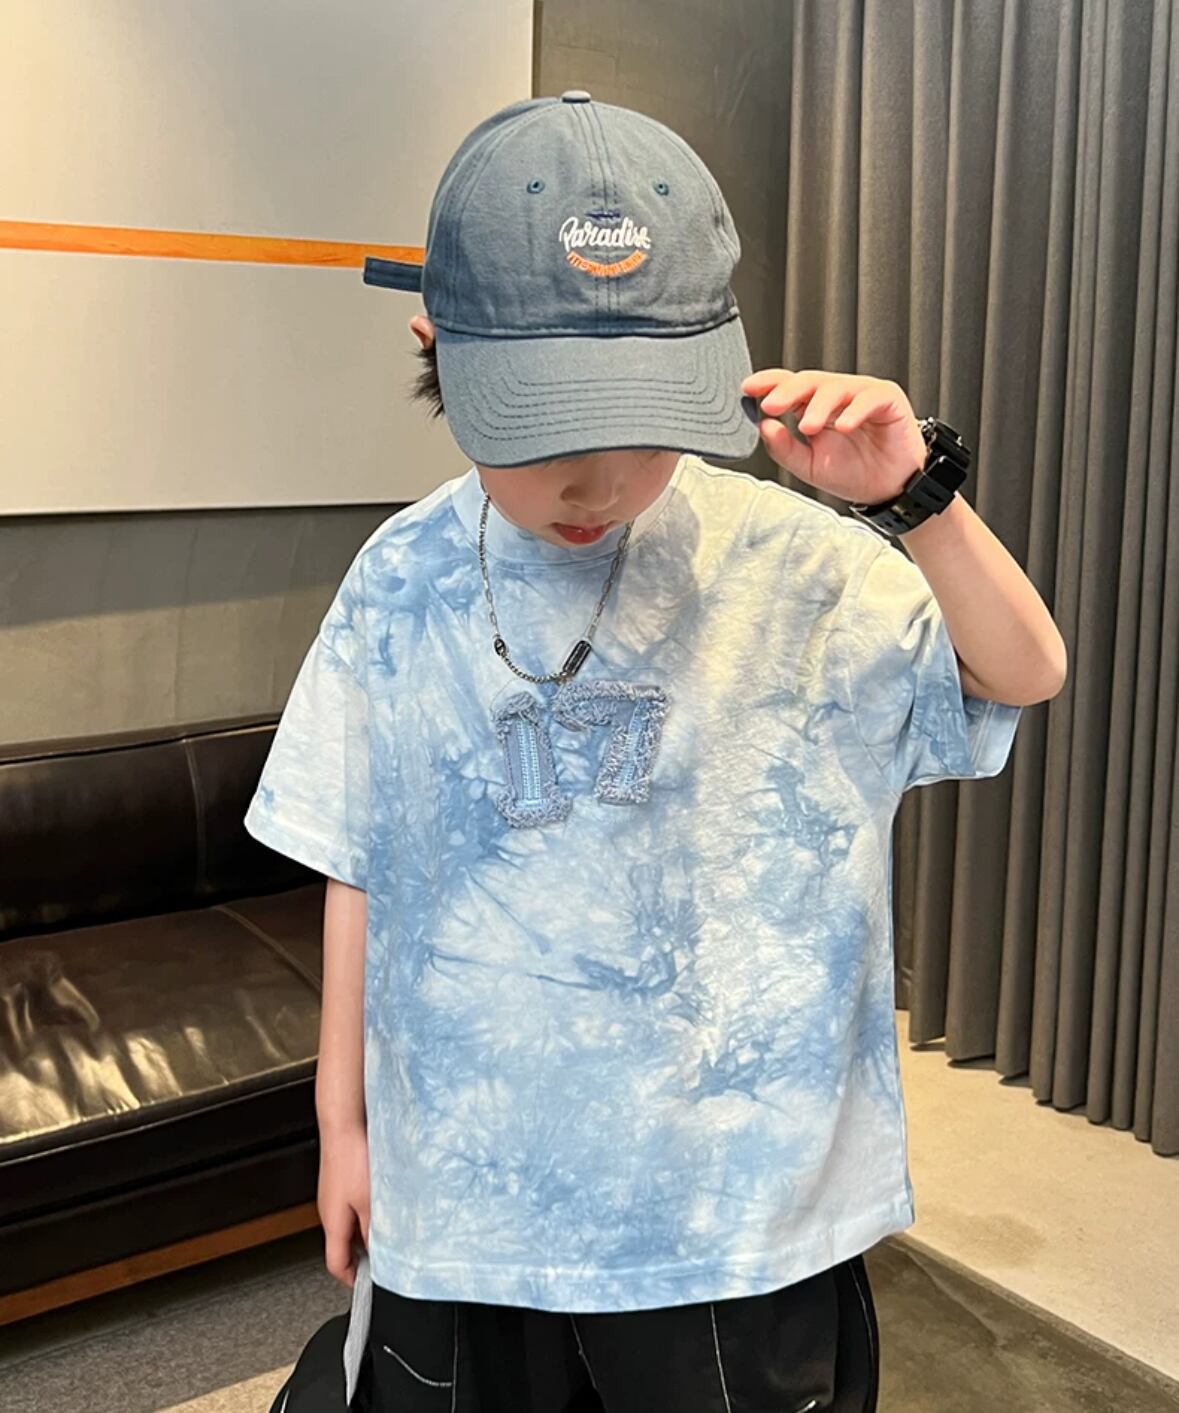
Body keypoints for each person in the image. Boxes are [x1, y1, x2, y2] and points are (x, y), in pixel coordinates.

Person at [246, 91, 1051, 1413]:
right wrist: (345, 1123)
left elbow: (1022, 673)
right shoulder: (403, 577)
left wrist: (920, 502)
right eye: (545, 429)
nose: (599, 484)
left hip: (733, 1212)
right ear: (438, 348)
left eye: (646, 425)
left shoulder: (796, 565)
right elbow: (359, 856)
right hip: (469, 1195)